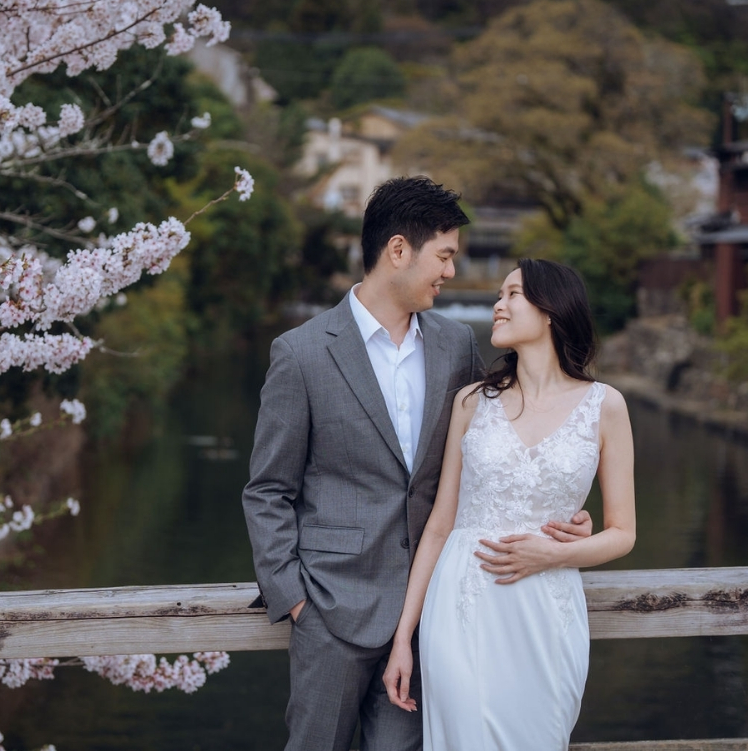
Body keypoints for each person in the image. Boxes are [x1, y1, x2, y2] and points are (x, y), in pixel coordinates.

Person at [242, 179, 592, 751]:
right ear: (398, 250)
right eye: (445, 255)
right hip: (331, 612)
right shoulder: (302, 352)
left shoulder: (456, 345)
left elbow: (494, 451)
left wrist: (559, 516)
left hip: (436, 616)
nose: (452, 272)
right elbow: (268, 490)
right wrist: (296, 600)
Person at [381, 258, 637, 750]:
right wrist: (402, 640)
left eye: (512, 294)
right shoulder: (471, 402)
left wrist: (555, 554)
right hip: (462, 604)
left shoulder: (605, 406)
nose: (498, 304)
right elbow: (439, 525)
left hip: (546, 610)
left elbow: (622, 533)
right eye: (499, 295)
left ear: (550, 311)